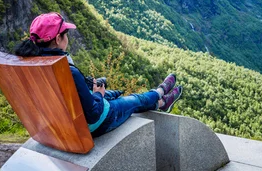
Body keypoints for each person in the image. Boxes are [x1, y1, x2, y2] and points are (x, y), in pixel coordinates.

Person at [14, 12, 182, 138]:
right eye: (66, 34)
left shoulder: (31, 65)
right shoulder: (65, 70)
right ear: (58, 39)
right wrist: (97, 94)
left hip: (59, 125)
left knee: (114, 94)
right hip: (96, 122)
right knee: (134, 101)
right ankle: (160, 96)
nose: (67, 38)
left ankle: (159, 101)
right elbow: (94, 114)